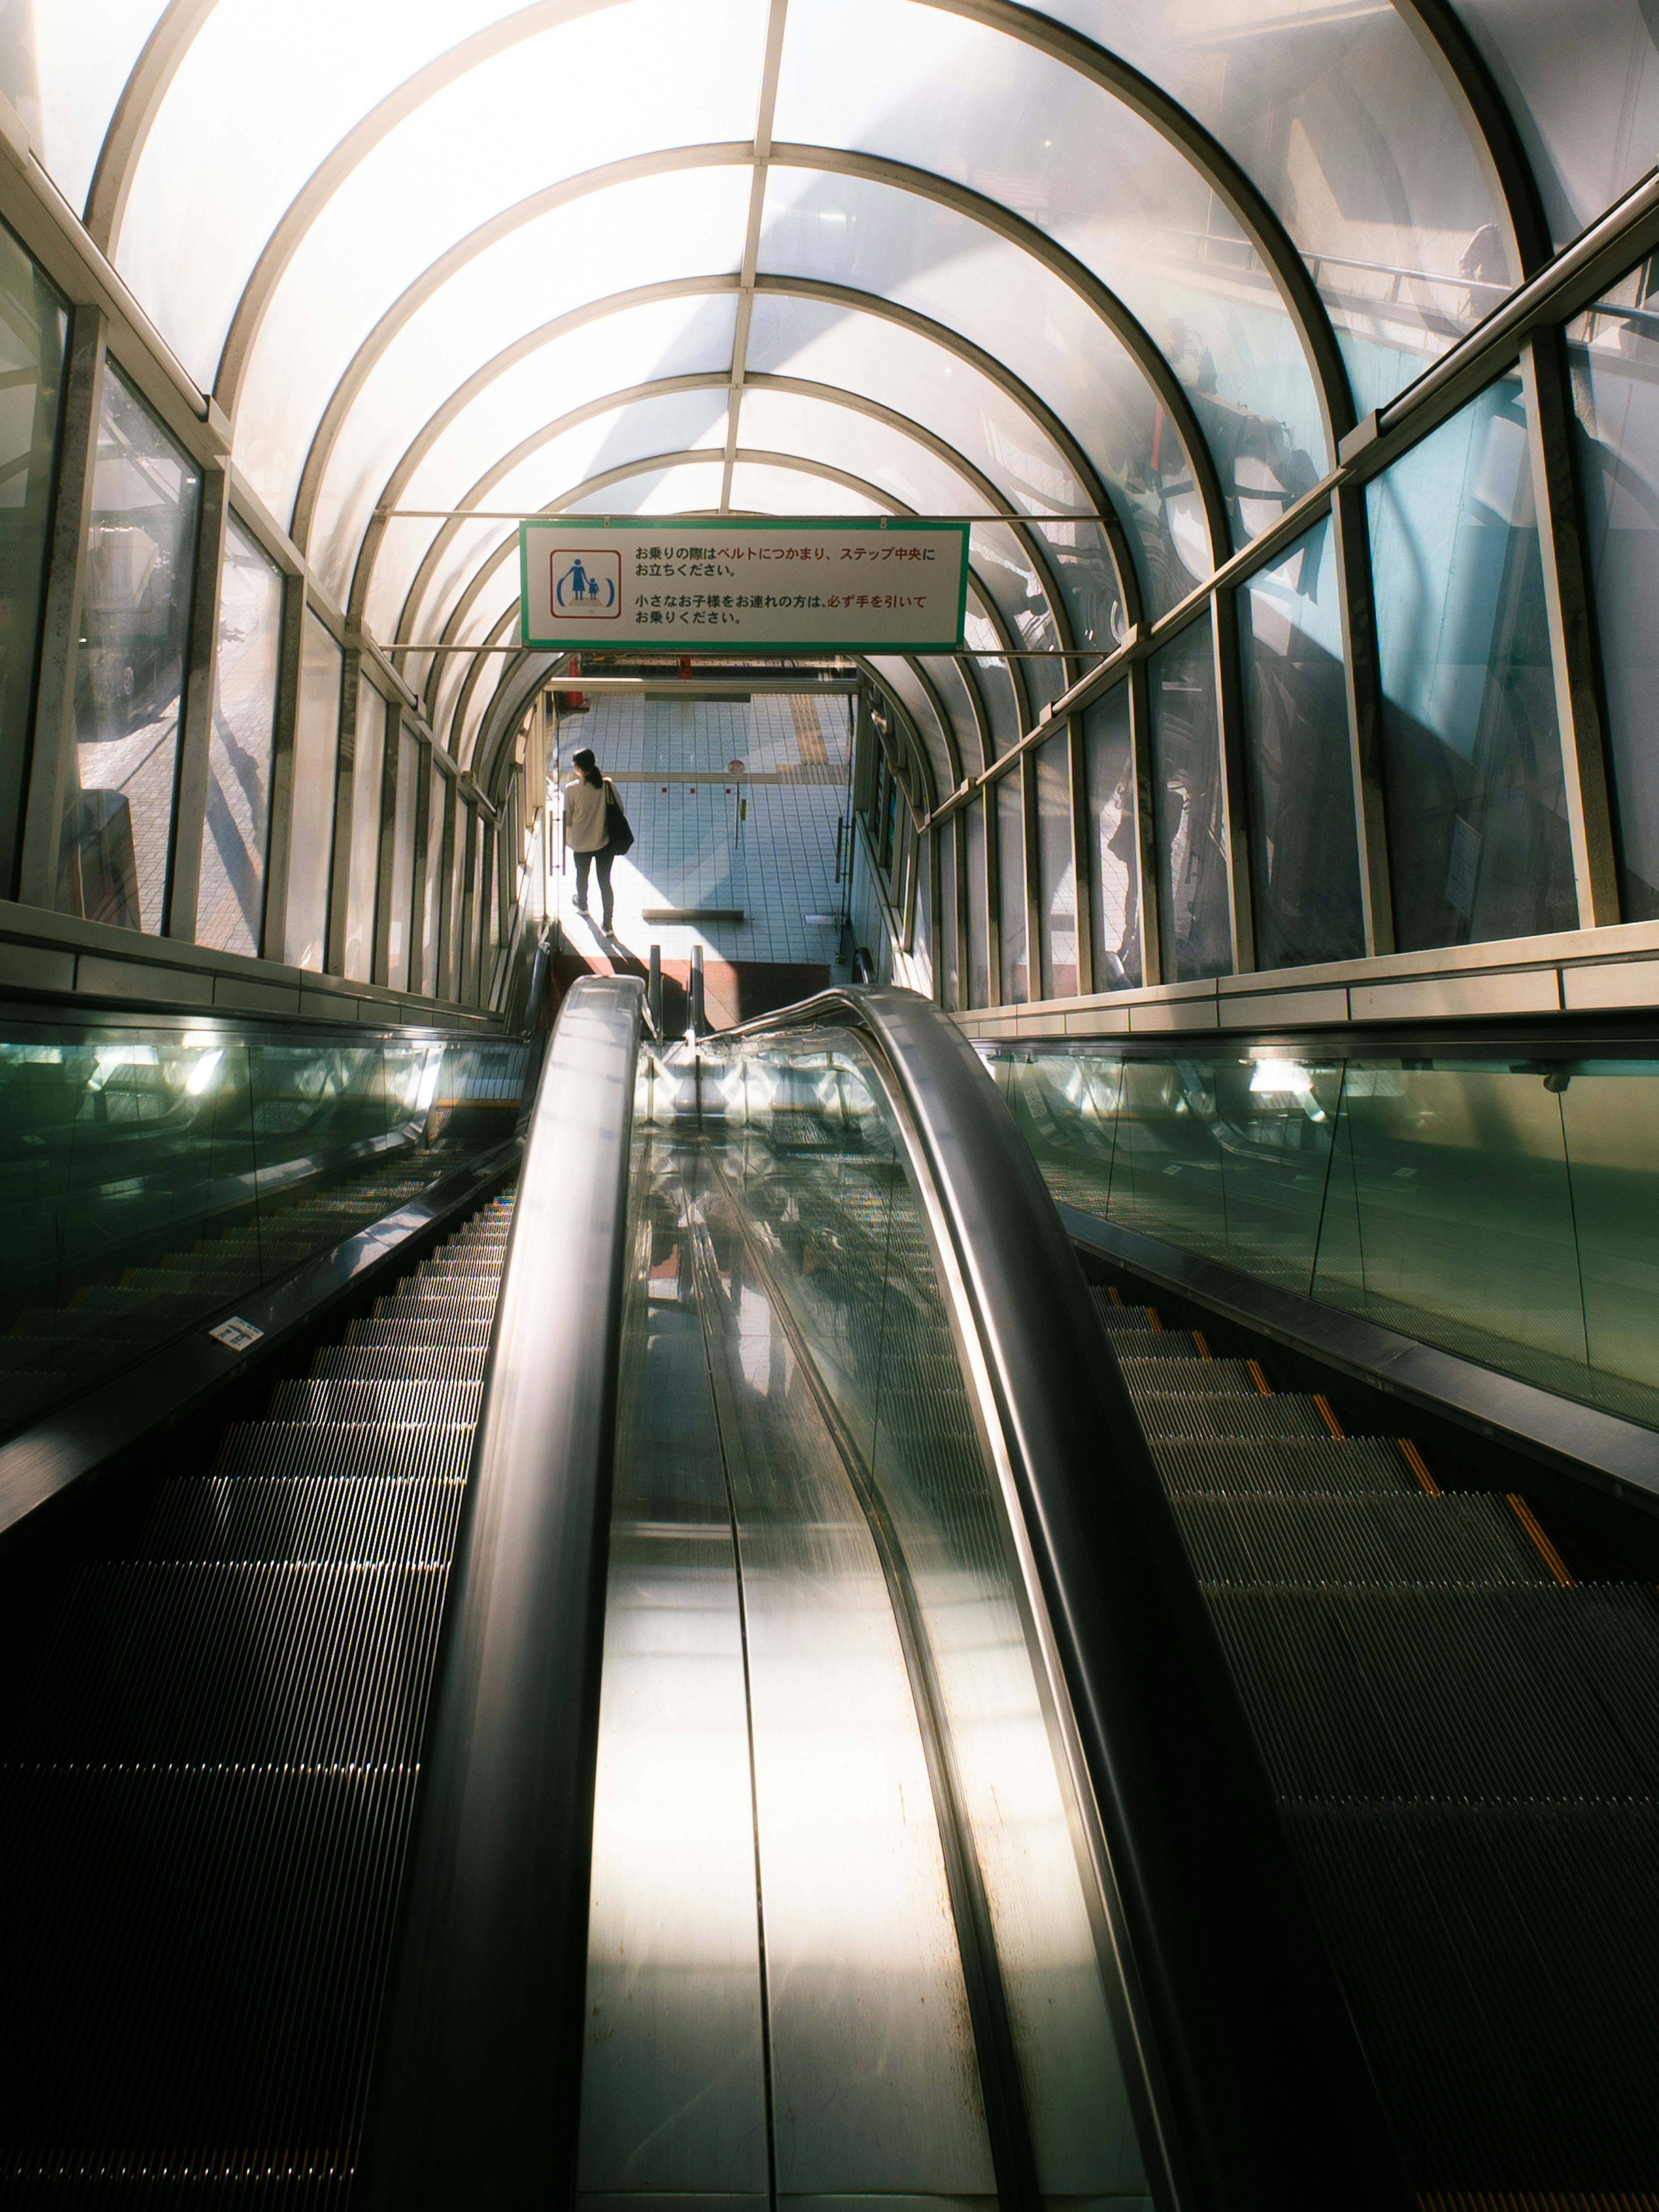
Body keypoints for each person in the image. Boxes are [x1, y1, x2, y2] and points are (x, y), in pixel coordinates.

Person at [564, 745, 617, 931]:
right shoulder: (607, 785)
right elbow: (621, 811)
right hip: (605, 843)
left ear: (578, 767)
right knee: (605, 882)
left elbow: (568, 818)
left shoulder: (571, 790)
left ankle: (583, 906)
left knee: (582, 876)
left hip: (580, 844)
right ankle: (608, 925)